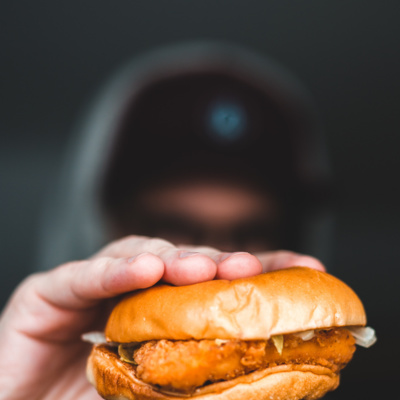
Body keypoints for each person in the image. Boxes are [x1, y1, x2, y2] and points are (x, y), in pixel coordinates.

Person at [0, 43, 330, 398]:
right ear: (103, 224)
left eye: (252, 232)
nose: (214, 258)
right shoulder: (60, 373)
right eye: (174, 229)